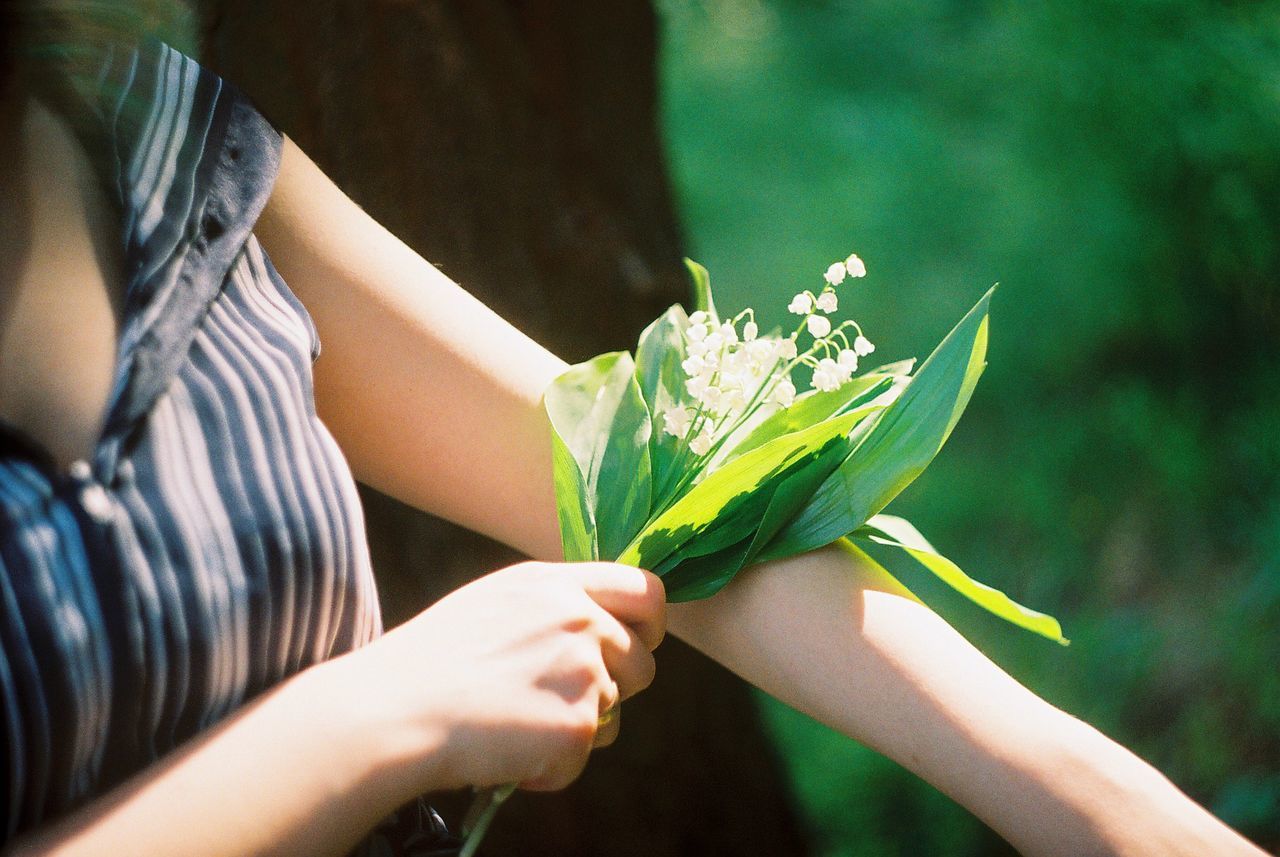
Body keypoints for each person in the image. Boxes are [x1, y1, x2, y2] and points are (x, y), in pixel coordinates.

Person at [0, 6, 1267, 856]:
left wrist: (1107, 807)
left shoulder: (140, 134)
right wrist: (373, 719)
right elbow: (385, 706)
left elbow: (652, 498)